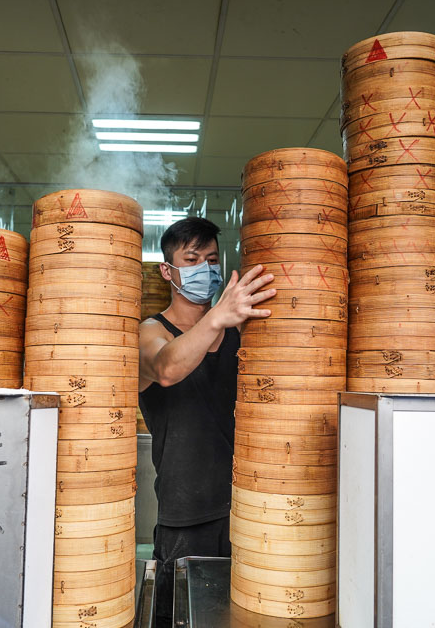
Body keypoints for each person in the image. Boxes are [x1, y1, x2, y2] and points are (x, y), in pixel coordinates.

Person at [138, 216, 275, 626]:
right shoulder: (150, 332)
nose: (206, 269)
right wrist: (216, 316)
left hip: (249, 509)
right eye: (192, 259)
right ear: (168, 270)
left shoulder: (240, 333)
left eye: (212, 260)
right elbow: (166, 368)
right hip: (186, 517)